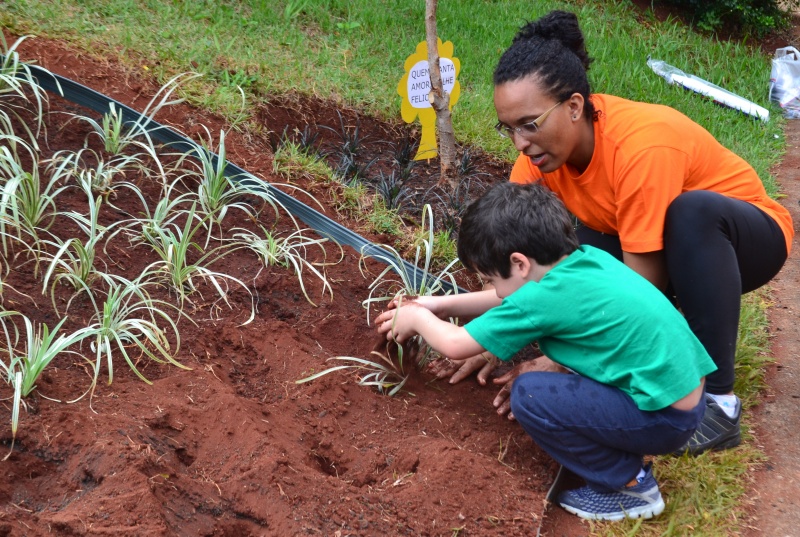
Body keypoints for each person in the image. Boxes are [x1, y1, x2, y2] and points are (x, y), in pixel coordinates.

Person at [434, 9, 793, 455]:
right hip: (652, 243)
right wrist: (495, 340)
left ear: (574, 106)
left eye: (530, 124)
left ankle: (718, 404)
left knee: (690, 213)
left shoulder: (641, 147)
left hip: (740, 241)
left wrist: (559, 364)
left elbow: (639, 291)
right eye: (508, 129)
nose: (520, 143)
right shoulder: (536, 162)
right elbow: (525, 266)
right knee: (568, 251)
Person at [375, 182, 715, 521]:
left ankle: (629, 487)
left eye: (490, 278)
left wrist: (417, 318)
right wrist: (438, 303)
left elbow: (456, 344)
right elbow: (508, 297)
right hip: (680, 395)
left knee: (531, 394)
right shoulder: (583, 261)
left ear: (520, 263)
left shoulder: (542, 298)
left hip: (662, 418)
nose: (493, 287)